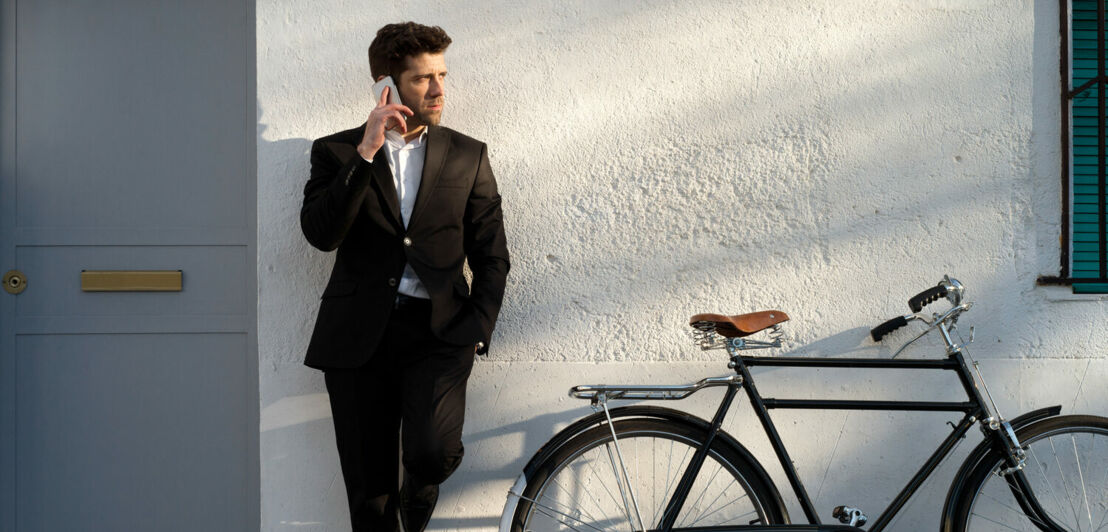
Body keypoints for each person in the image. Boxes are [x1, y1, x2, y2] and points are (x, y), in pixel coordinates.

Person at [299, 21, 510, 532]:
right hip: (357, 338)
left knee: (432, 452)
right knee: (370, 498)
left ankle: (417, 505)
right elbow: (321, 234)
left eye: (442, 75)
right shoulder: (337, 153)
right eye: (422, 79)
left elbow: (491, 254)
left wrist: (477, 326)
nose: (439, 90)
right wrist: (367, 152)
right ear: (385, 86)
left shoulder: (467, 153)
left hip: (438, 334)